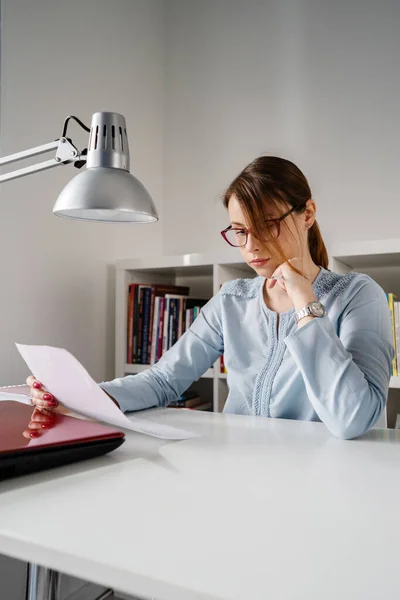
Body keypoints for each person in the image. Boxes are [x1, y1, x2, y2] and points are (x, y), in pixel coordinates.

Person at [26, 156, 393, 440]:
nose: (251, 247)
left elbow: (353, 419)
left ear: (307, 214)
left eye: (267, 226)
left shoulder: (359, 297)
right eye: (239, 232)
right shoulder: (232, 299)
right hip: (237, 472)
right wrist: (78, 395)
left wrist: (304, 301)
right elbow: (163, 381)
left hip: (322, 482)